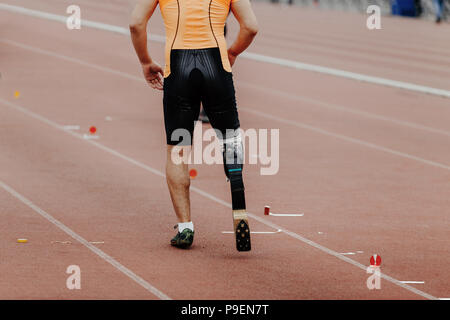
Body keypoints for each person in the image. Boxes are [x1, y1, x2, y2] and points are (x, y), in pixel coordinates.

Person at [130, 0, 258, 251]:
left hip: (179, 67)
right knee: (229, 137)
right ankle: (237, 198)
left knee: (177, 149)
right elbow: (251, 27)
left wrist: (145, 61)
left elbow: (136, 23)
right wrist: (232, 53)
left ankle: (185, 227)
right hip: (216, 65)